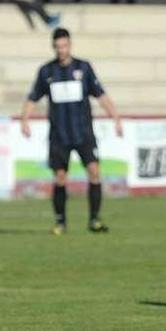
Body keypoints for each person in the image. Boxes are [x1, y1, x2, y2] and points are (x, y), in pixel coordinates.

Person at [20, 27, 123, 235]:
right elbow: (33, 97)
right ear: (53, 47)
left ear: (70, 45)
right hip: (59, 135)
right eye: (58, 47)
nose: (61, 50)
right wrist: (25, 120)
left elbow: (101, 95)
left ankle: (94, 220)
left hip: (83, 133)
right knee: (60, 177)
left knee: (94, 172)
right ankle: (61, 222)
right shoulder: (46, 71)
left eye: (64, 46)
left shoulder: (83, 68)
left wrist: (115, 117)